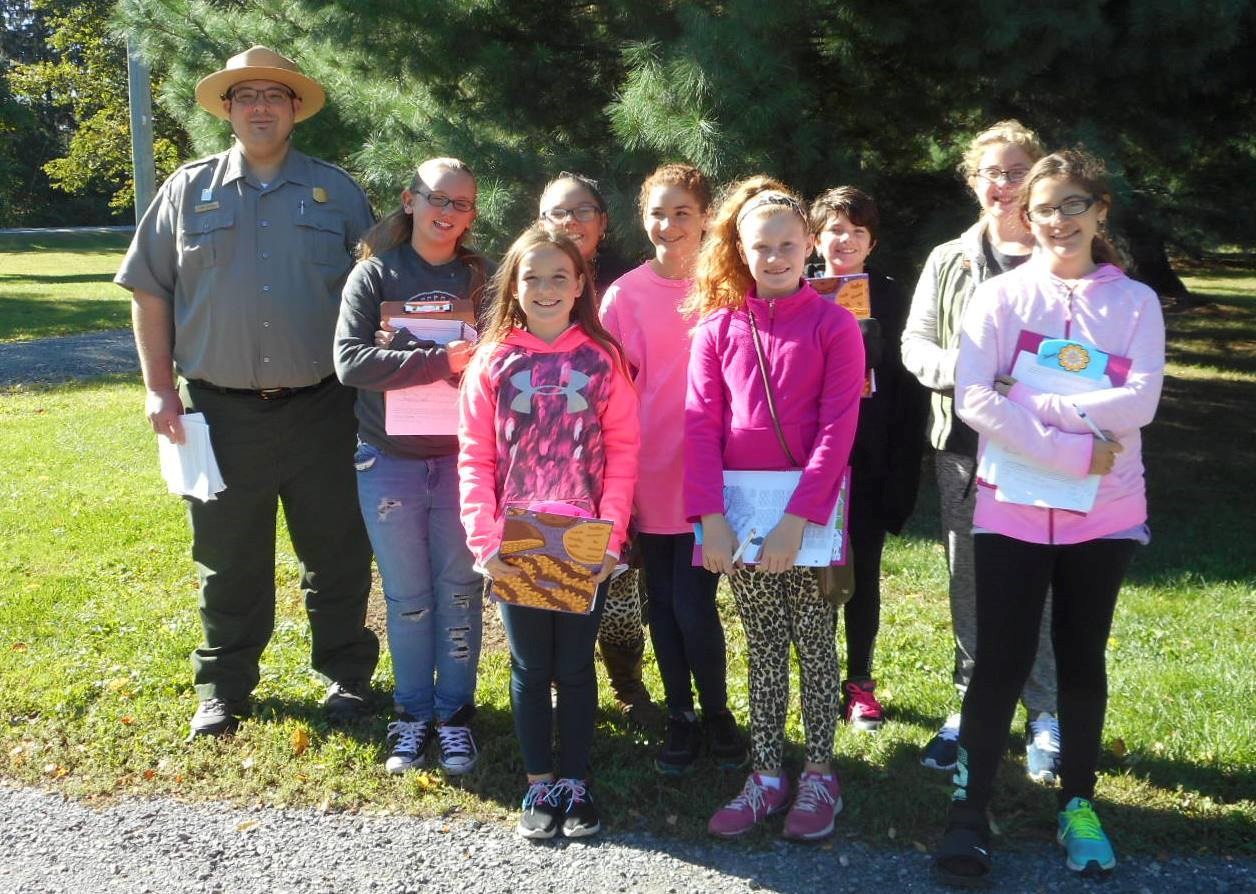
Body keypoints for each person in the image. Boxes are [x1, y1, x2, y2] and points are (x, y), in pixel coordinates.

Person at [114, 46, 379, 739]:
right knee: (228, 562)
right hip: (219, 412)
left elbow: (383, 289)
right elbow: (149, 291)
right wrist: (156, 390)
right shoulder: (187, 190)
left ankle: (347, 678)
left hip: (325, 410)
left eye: (274, 95)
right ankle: (223, 688)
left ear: (295, 109)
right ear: (227, 110)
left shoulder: (338, 193)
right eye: (245, 95)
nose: (260, 106)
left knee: (338, 551)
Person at [933, 149, 1164, 885]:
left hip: (1106, 512)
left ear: (1101, 210)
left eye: (1073, 205)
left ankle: (1079, 806)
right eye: (1043, 210)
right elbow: (973, 397)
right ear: (1023, 220)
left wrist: (1032, 402)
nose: (1058, 221)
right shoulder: (999, 299)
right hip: (1015, 508)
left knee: (1080, 663)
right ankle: (968, 816)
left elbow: (1141, 402)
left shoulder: (1136, 303)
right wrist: (1068, 448)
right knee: (998, 664)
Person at [685, 177, 864, 840]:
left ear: (811, 244)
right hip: (739, 520)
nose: (776, 256)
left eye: (789, 243)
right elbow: (699, 424)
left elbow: (837, 427)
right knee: (763, 645)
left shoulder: (835, 324)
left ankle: (820, 772)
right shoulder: (718, 328)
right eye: (762, 245)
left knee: (815, 642)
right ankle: (765, 775)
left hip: (807, 520)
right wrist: (709, 518)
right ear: (739, 247)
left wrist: (801, 518)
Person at [458, 225, 639, 839]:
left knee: (575, 667)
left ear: (581, 284)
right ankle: (539, 784)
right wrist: (485, 544)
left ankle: (576, 782)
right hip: (517, 545)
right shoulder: (493, 360)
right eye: (531, 276)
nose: (545, 288)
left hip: (583, 544)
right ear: (512, 284)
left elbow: (623, 451)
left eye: (560, 276)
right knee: (532, 667)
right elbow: (475, 457)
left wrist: (609, 539)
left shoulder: (601, 358)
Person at [901, 120, 1062, 781]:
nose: (1002, 184)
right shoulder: (950, 259)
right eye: (990, 172)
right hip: (965, 451)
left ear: (1039, 177)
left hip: (1044, 451)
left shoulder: (1065, 257)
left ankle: (1045, 714)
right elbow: (916, 346)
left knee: (1041, 584)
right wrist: (969, 375)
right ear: (973, 181)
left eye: (1016, 170)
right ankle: (970, 702)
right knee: (968, 581)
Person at [335, 157, 492, 775]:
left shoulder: (480, 275)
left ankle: (454, 717)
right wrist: (439, 361)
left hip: (464, 462)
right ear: (409, 199)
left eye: (461, 204)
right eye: (436, 199)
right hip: (390, 461)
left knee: (460, 592)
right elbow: (350, 362)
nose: (447, 213)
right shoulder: (374, 275)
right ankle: (411, 715)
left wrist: (430, 356)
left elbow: (502, 355)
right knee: (406, 598)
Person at [599, 163, 747, 774]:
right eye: (658, 212)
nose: (669, 224)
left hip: (716, 475)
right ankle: (682, 716)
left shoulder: (729, 288)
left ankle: (717, 713)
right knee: (662, 602)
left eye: (682, 212)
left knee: (694, 604)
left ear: (707, 217)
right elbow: (607, 393)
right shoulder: (623, 296)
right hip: (647, 474)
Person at [538, 172, 661, 730]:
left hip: (612, 462)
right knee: (551, 580)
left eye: (581, 211)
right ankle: (563, 683)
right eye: (557, 212)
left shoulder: (623, 290)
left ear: (603, 222)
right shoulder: (526, 284)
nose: (569, 223)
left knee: (616, 582)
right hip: (541, 470)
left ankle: (625, 680)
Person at [808, 187, 926, 731]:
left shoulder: (894, 296)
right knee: (811, 576)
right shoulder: (795, 291)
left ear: (872, 241)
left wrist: (902, 470)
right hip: (807, 462)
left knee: (864, 574)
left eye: (857, 232)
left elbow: (908, 388)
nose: (845, 241)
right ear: (814, 237)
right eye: (834, 229)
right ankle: (813, 678)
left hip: (870, 458)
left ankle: (860, 683)